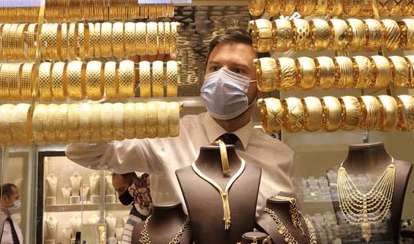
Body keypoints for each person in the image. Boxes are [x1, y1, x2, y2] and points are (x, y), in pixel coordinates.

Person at [67, 28, 295, 211]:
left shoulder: (279, 156)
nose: (221, 77)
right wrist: (126, 82)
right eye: (215, 68)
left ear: (262, 85)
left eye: (237, 70)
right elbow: (82, 149)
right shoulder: (168, 136)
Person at [111, 172, 152, 244]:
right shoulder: (137, 209)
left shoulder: (147, 212)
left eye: (121, 189)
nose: (120, 196)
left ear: (133, 183)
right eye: (117, 191)